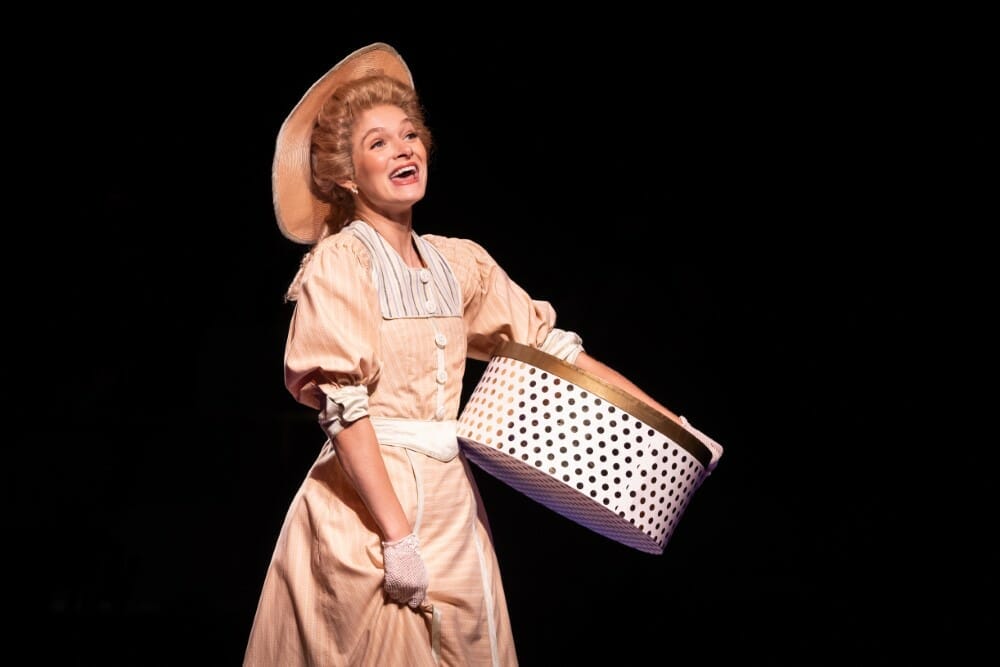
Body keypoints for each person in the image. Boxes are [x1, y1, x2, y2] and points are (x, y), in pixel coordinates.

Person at [243, 42, 723, 666]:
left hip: (450, 501)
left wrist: (675, 426)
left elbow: (552, 350)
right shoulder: (342, 263)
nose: (404, 149)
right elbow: (344, 409)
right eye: (379, 143)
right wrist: (397, 538)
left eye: (410, 135)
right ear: (346, 175)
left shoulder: (459, 262)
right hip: (368, 509)